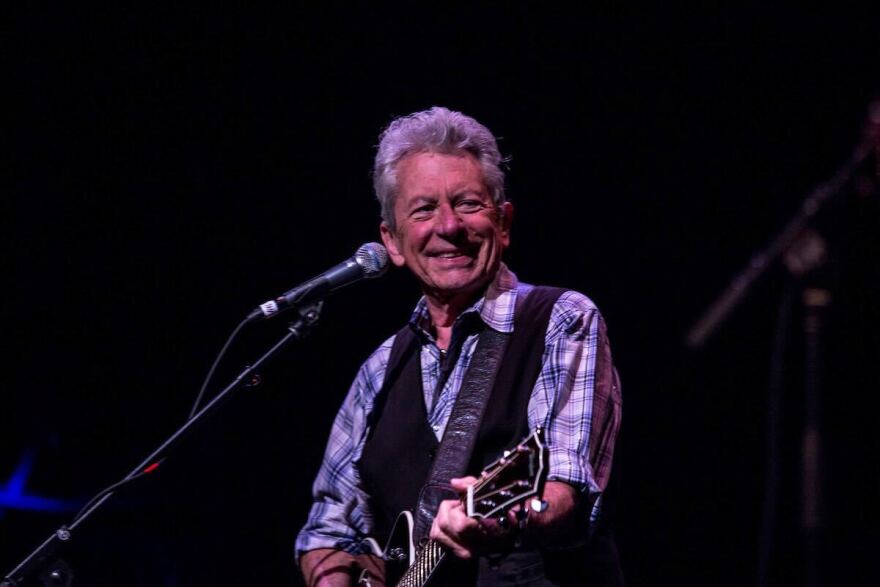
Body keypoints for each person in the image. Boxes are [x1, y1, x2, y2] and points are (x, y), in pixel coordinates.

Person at [296, 107, 622, 586]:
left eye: (468, 204)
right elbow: (327, 533)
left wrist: (507, 519)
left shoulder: (562, 320)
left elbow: (564, 489)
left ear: (504, 222)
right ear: (392, 242)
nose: (448, 226)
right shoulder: (379, 371)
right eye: (424, 209)